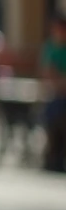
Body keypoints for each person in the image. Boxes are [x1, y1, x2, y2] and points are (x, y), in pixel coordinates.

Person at [39, 13, 66, 172]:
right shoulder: (49, 48)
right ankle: (53, 155)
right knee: (56, 112)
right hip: (53, 97)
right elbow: (48, 75)